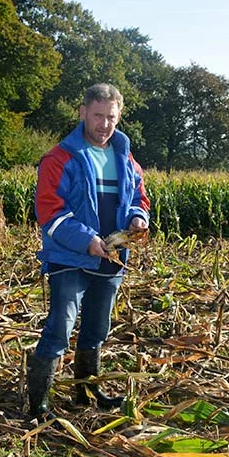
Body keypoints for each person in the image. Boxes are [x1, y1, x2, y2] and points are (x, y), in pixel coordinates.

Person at [27, 83, 151, 420]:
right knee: (60, 326)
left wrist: (138, 218)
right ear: (83, 113)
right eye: (98, 116)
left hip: (111, 258)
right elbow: (50, 211)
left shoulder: (126, 160)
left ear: (119, 116)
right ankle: (38, 403)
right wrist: (87, 241)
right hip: (70, 257)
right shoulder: (59, 158)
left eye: (111, 117)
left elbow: (138, 199)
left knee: (97, 327)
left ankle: (86, 391)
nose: (104, 124)